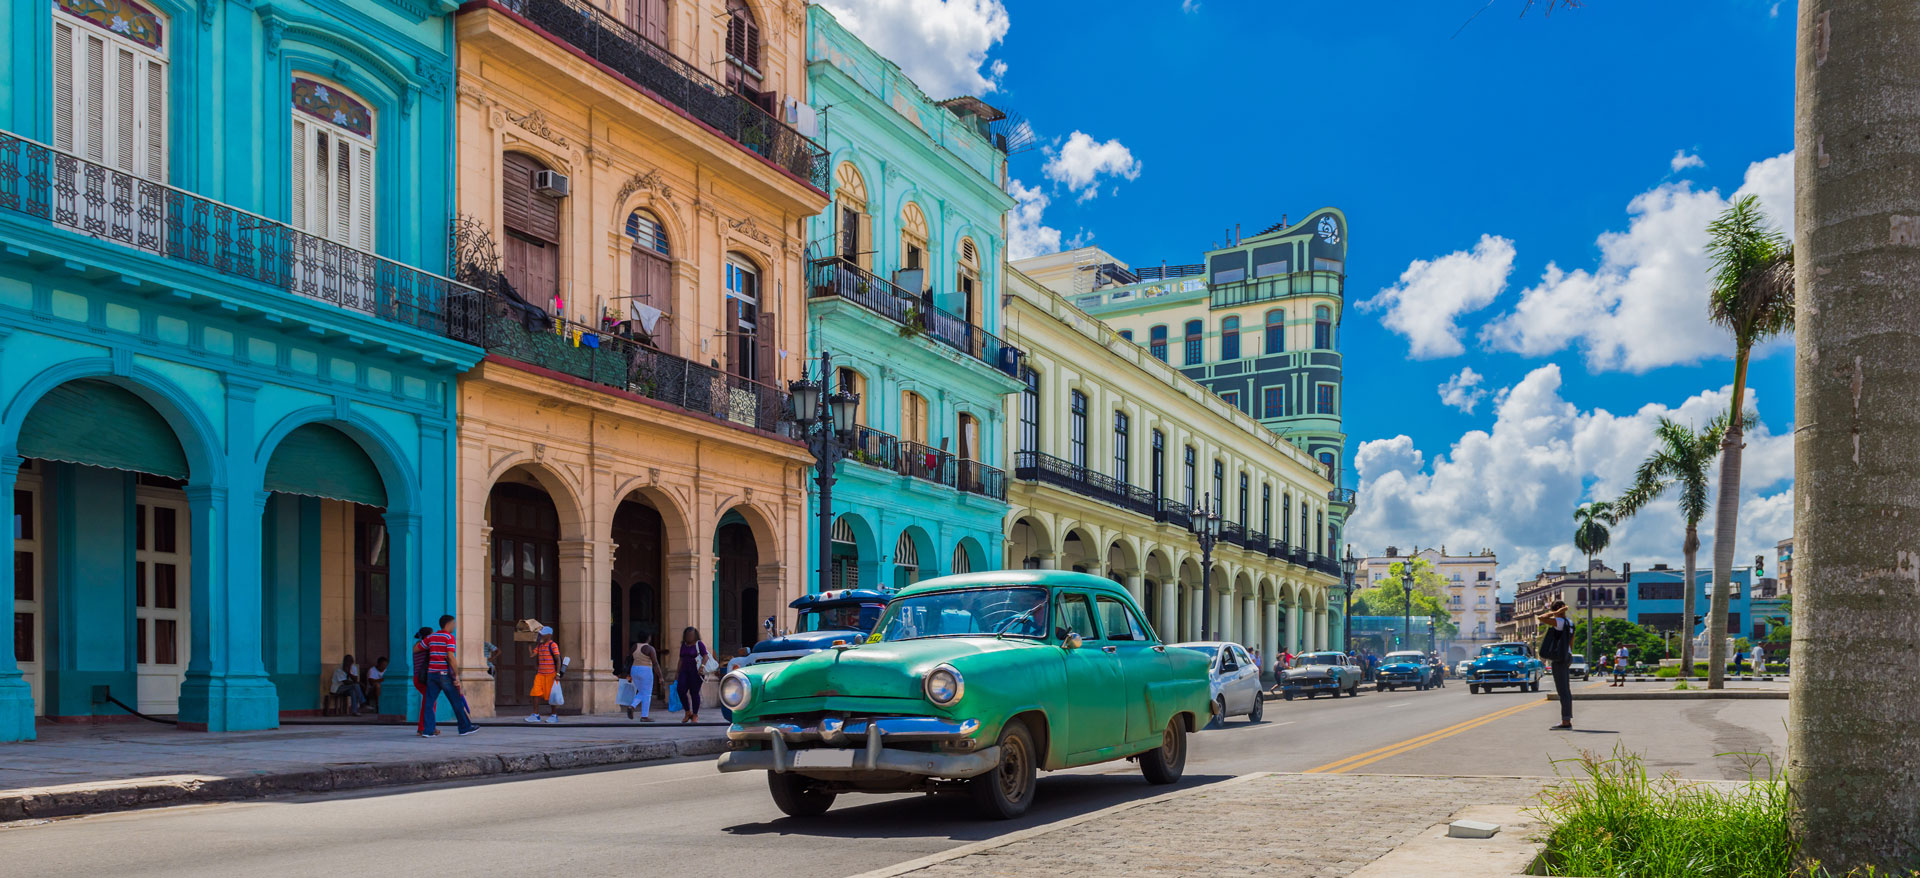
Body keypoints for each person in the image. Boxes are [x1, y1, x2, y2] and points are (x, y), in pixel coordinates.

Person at [422, 614, 478, 737]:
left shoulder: (431, 637)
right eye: (454, 624)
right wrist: (456, 676)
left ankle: (428, 730)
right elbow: (451, 657)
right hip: (444, 674)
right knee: (456, 701)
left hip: (432, 673)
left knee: (429, 703)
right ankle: (464, 727)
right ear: (448, 624)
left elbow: (417, 648)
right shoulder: (449, 637)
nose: (455, 626)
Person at [1538, 600, 1575, 730]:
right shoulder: (1570, 623)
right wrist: (1569, 656)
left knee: (1562, 690)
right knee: (1566, 690)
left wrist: (1555, 613)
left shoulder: (1559, 622)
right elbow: (1571, 642)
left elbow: (1541, 618)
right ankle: (1566, 718)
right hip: (1567, 656)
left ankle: (1566, 721)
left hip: (1560, 659)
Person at [676, 626, 712, 723]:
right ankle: (688, 712)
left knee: (694, 693)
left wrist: (702, 667)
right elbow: (681, 659)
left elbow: (705, 656)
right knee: (680, 689)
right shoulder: (683, 645)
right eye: (688, 635)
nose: (689, 637)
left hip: (696, 672)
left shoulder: (699, 644)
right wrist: (677, 672)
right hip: (684, 671)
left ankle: (695, 715)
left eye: (691, 635)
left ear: (695, 635)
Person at [527, 626, 561, 724]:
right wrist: (529, 646)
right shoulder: (540, 645)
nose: (541, 635)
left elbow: (558, 659)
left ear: (549, 635)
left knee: (552, 696)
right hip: (540, 674)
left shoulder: (553, 645)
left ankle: (554, 715)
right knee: (535, 693)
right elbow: (531, 655)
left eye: (543, 634)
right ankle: (536, 715)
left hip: (551, 674)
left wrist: (557, 674)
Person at [627, 633, 658, 721]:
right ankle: (644, 716)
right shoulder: (650, 648)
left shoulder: (634, 646)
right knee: (647, 693)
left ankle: (632, 706)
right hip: (645, 670)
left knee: (642, 691)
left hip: (634, 669)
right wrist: (660, 676)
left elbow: (628, 658)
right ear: (648, 638)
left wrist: (627, 672)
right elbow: (655, 663)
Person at [410, 628, 433, 735]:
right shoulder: (424, 646)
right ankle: (424, 727)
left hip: (418, 678)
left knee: (428, 702)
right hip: (422, 679)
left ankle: (426, 726)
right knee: (429, 703)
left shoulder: (418, 645)